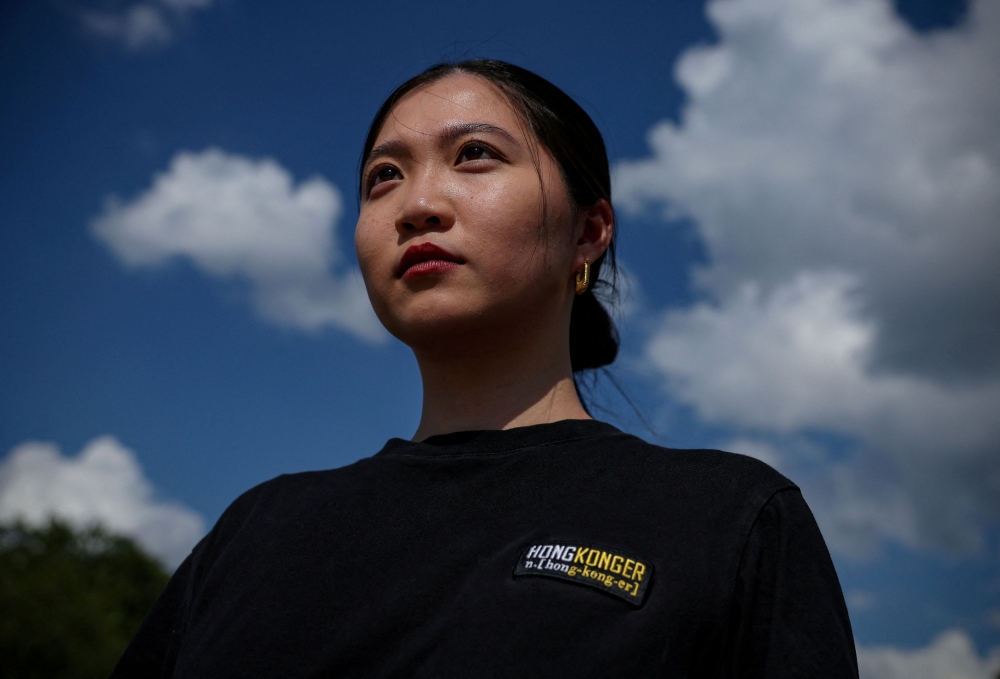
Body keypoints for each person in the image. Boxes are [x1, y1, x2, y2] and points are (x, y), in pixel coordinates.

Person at [112, 60, 859, 678]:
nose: (418, 203)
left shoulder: (731, 517)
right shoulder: (254, 532)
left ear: (588, 232)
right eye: (383, 177)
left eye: (474, 155)